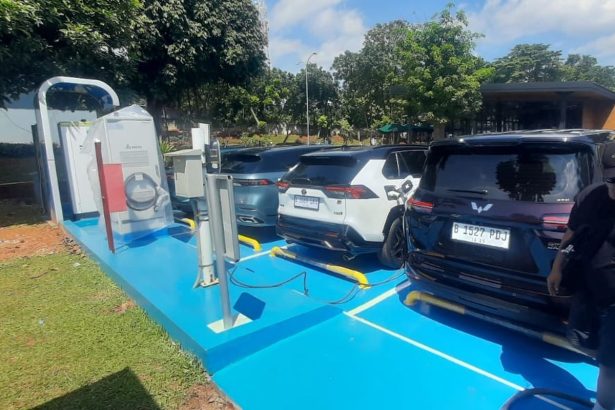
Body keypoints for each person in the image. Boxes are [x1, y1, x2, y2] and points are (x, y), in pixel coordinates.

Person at [548, 177, 615, 410]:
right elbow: (571, 233)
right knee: (582, 341)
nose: (613, 190)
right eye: (611, 183)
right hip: (588, 291)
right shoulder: (590, 196)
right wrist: (557, 268)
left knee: (610, 364)